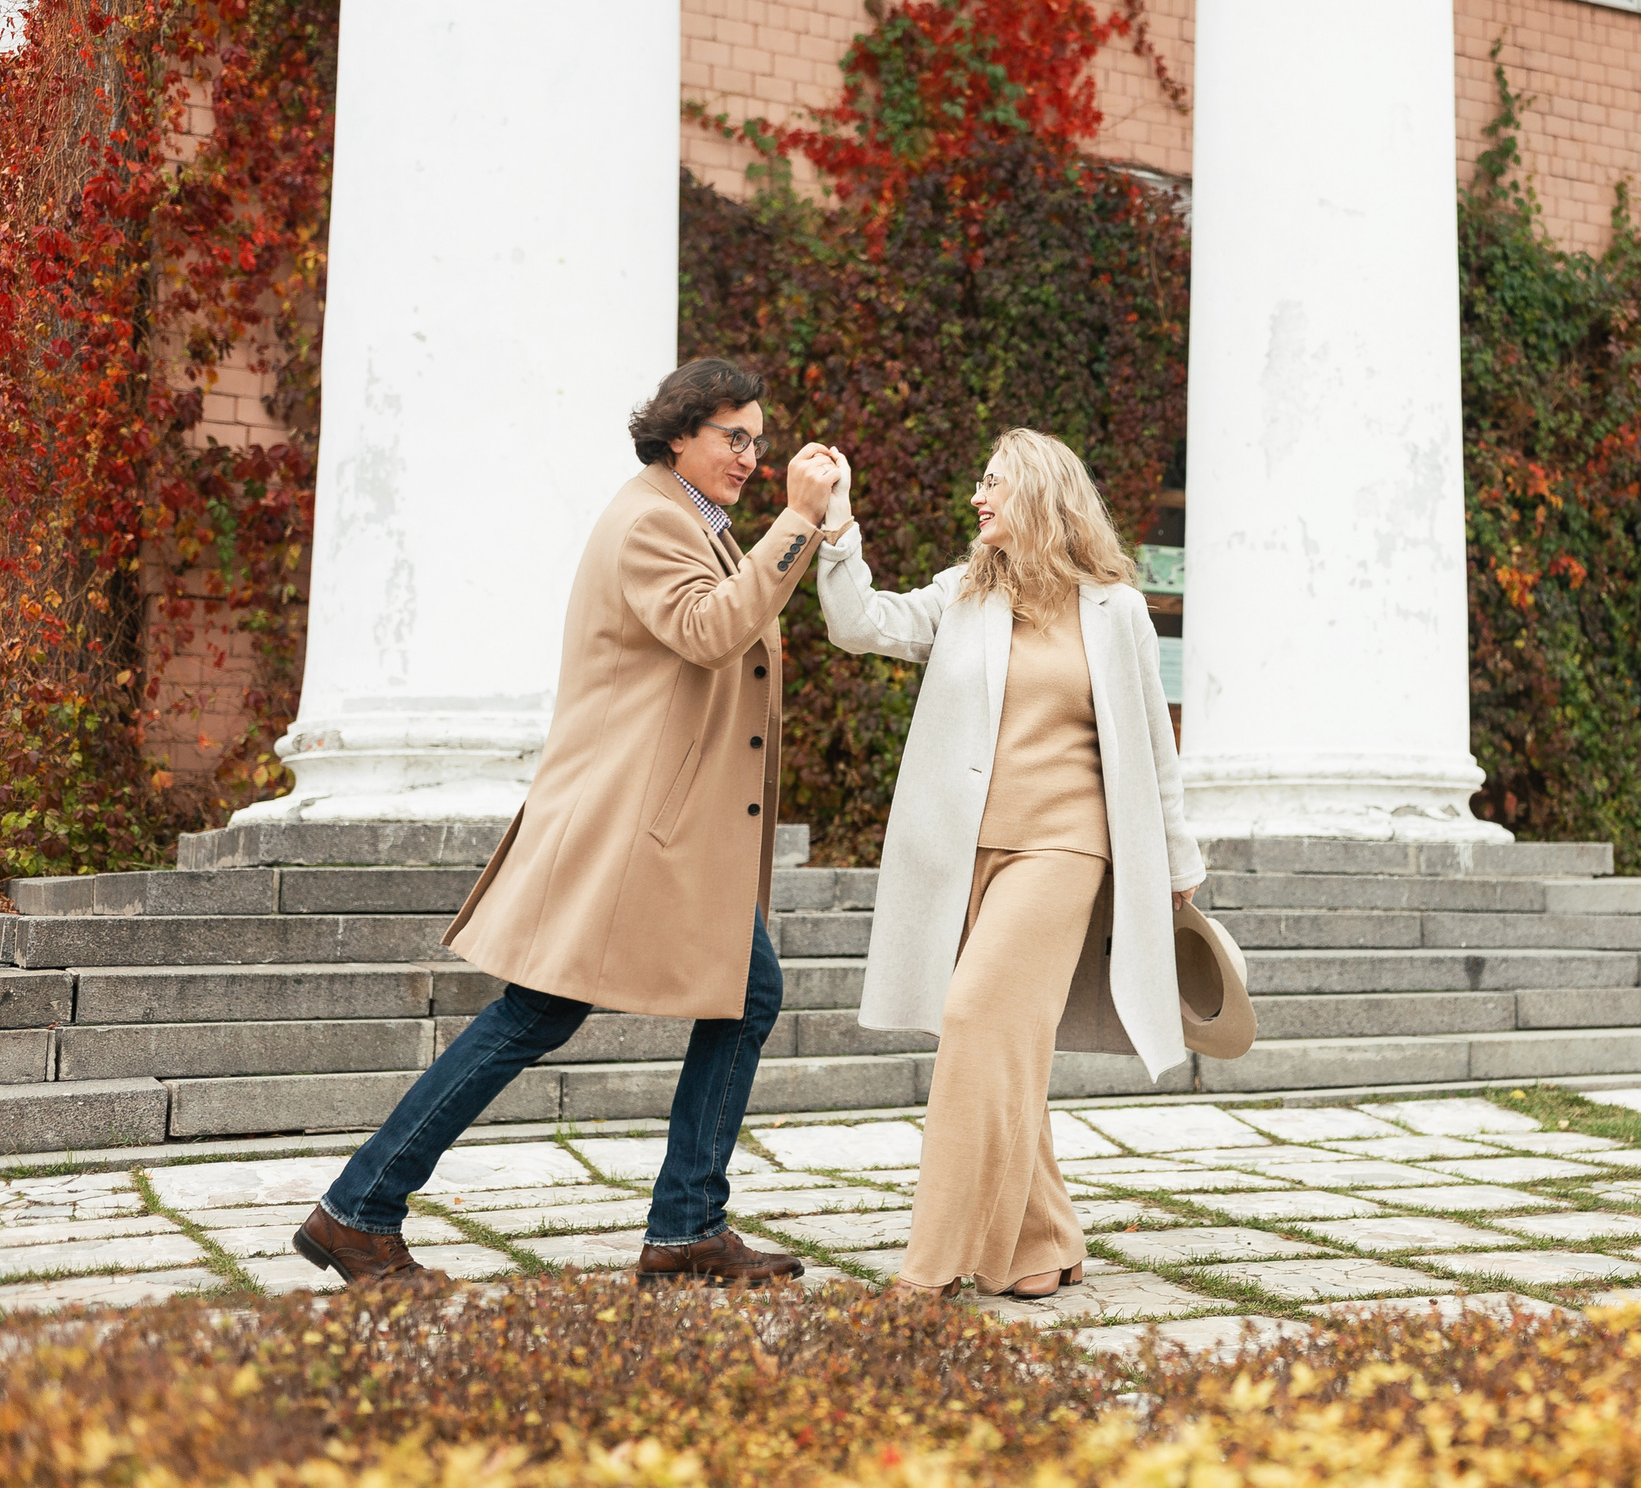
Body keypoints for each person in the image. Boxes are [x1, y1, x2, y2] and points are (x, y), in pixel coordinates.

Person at [293, 359, 845, 1288]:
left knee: (736, 997)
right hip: (623, 828)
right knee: (535, 1013)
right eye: (732, 436)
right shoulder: (650, 522)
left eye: (758, 438)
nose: (752, 456)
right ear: (678, 435)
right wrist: (799, 519)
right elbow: (713, 631)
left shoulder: (688, 520)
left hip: (653, 825)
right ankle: (358, 1211)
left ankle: (683, 1229)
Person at [814, 427, 1202, 1299]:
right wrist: (839, 526)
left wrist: (1179, 859)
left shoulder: (1116, 609)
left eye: (995, 482)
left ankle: (929, 1266)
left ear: (1040, 495)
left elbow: (1152, 746)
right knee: (1007, 1042)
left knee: (976, 1016)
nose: (979, 496)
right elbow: (860, 624)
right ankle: (1044, 1241)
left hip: (1066, 848)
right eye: (979, 481)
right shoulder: (965, 595)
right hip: (963, 853)